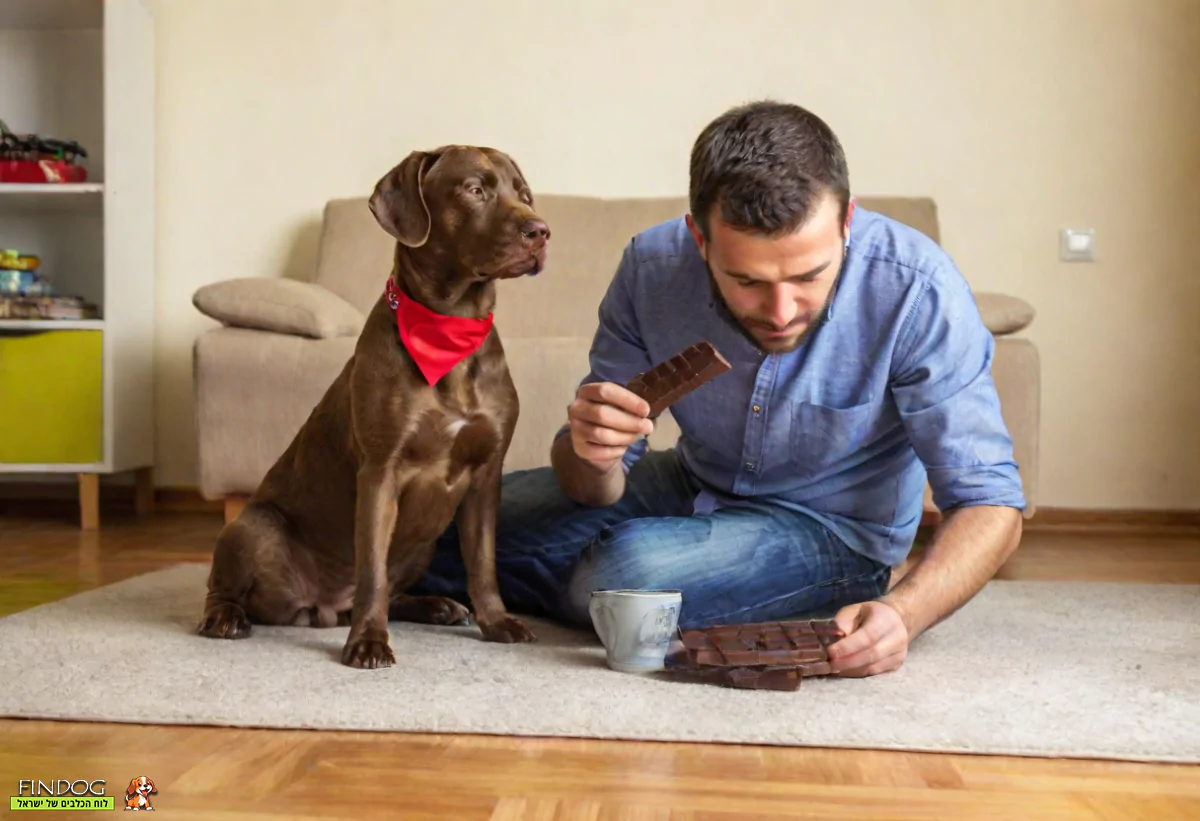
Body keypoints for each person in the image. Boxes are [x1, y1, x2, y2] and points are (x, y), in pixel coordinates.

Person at [413, 99, 1026, 677]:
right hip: (692, 481)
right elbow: (594, 485)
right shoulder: (653, 268)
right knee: (449, 512)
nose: (782, 310)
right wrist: (589, 450)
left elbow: (992, 503)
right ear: (699, 239)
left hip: (835, 533)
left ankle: (534, 577)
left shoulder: (918, 289)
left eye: (810, 276)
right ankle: (537, 578)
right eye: (748, 281)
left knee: (629, 574)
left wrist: (905, 613)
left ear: (846, 221)